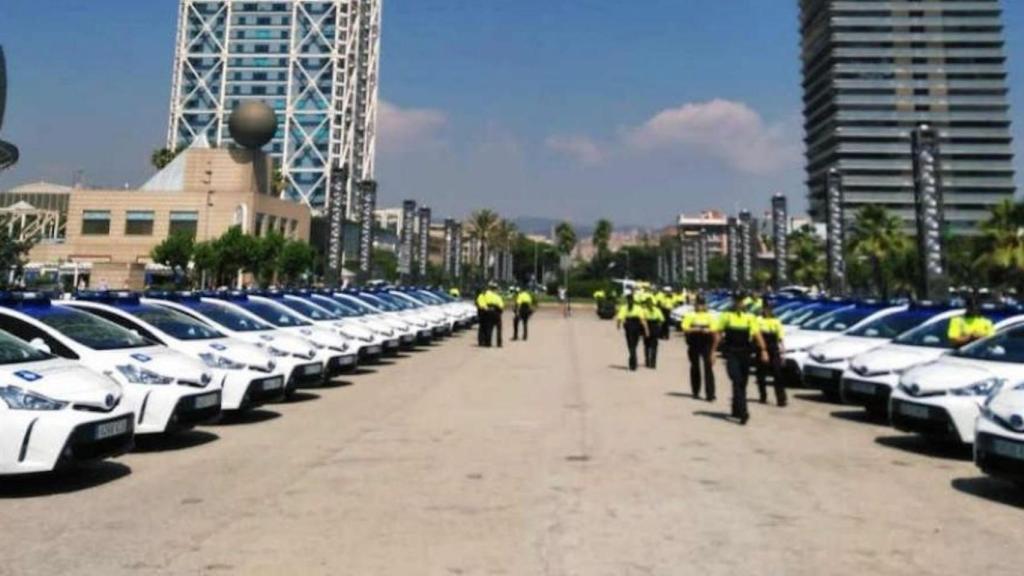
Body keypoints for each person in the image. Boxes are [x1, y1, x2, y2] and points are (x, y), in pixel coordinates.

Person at [715, 293, 768, 425]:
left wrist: (763, 350)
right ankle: (744, 412)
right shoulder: (726, 316)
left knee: (742, 384)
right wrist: (712, 352)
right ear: (733, 302)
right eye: (737, 301)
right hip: (731, 353)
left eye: (741, 301)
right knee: (737, 380)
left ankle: (736, 409)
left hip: (745, 353)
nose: (739, 303)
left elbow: (757, 334)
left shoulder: (750, 317)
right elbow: (718, 333)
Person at [682, 294, 718, 401]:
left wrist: (708, 330)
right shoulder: (690, 315)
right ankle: (695, 390)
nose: (700, 306)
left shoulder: (710, 315)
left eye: (702, 304)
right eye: (698, 304)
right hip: (694, 342)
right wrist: (696, 329)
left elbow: (714, 329)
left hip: (706, 342)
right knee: (695, 366)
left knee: (708, 367)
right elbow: (685, 327)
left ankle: (710, 394)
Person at [755, 303, 787, 407]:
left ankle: (781, 398)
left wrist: (782, 348)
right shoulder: (759, 320)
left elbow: (780, 335)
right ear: (763, 309)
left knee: (778, 374)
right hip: (762, 348)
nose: (768, 311)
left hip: (774, 348)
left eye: (770, 309)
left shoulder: (776, 320)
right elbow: (756, 334)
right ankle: (763, 395)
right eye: (766, 309)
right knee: (761, 374)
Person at [616, 293, 649, 371]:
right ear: (627, 301)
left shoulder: (638, 308)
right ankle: (633, 363)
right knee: (630, 345)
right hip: (628, 327)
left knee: (634, 345)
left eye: (631, 300)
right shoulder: (624, 308)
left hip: (636, 326)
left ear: (633, 300)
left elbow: (642, 320)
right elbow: (620, 317)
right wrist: (618, 325)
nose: (630, 301)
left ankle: (632, 361)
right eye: (628, 300)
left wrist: (646, 330)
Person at [641, 293, 664, 368]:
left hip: (655, 326)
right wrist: (646, 330)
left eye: (651, 303)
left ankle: (653, 363)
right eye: (648, 303)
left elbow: (661, 319)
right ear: (646, 304)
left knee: (654, 346)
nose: (649, 305)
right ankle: (647, 360)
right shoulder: (644, 310)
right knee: (647, 346)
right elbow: (643, 320)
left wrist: (659, 328)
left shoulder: (657, 310)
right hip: (647, 326)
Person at [483, 282, 506, 347]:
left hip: (488, 312)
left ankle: (488, 343)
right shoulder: (498, 296)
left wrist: (486, 309)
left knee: (489, 328)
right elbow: (501, 306)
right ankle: (499, 343)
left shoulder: (486, 295)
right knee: (499, 328)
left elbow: (483, 303)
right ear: (495, 289)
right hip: (496, 312)